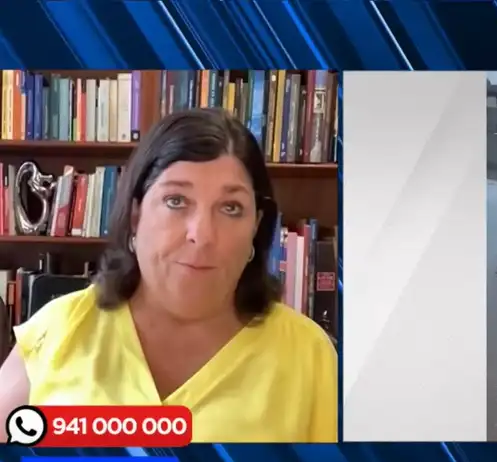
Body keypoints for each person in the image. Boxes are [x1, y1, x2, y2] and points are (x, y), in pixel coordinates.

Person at [0, 109, 337, 442]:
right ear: (135, 216)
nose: (202, 235)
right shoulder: (56, 332)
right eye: (176, 200)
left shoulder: (309, 355)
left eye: (231, 207)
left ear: (256, 226)